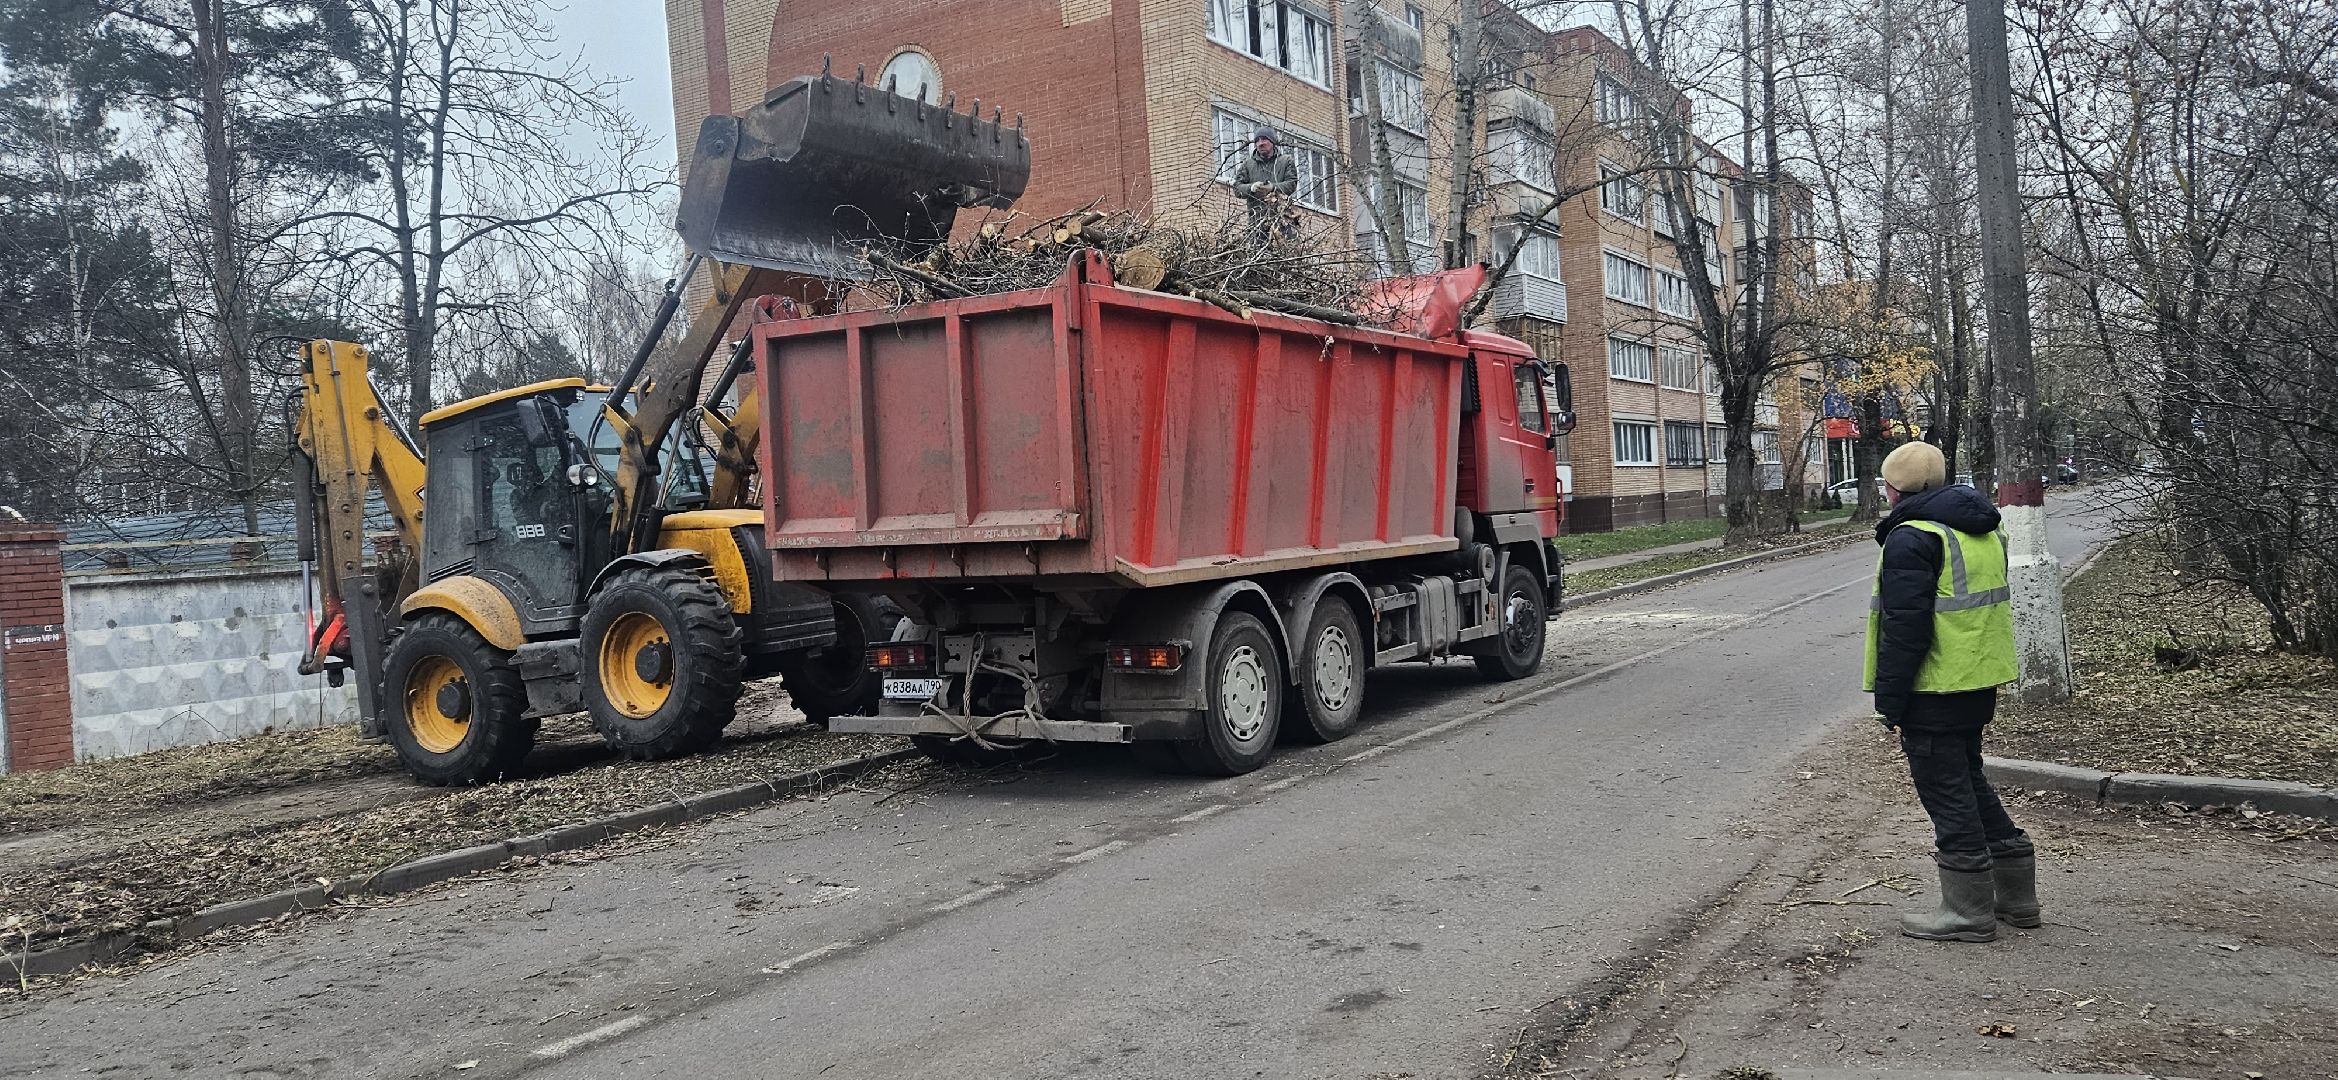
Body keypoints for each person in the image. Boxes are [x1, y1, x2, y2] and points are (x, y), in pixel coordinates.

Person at [1863, 440, 2038, 943]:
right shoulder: (1983, 528)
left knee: (1946, 793)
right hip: (1977, 678)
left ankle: (1967, 911)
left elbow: (1905, 629)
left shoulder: (1913, 538)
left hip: (1934, 686)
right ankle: (2017, 898)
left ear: (1894, 488)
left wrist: (1890, 701)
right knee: (1969, 781)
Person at [1233, 126, 1299, 240]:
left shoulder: (1285, 161)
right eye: (1257, 140)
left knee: (1286, 248)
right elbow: (1237, 188)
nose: (1260, 143)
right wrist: (1251, 188)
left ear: (1272, 141)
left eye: (1264, 139)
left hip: (1282, 221)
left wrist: (1273, 188)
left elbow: (1291, 184)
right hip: (1257, 222)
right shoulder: (1248, 165)